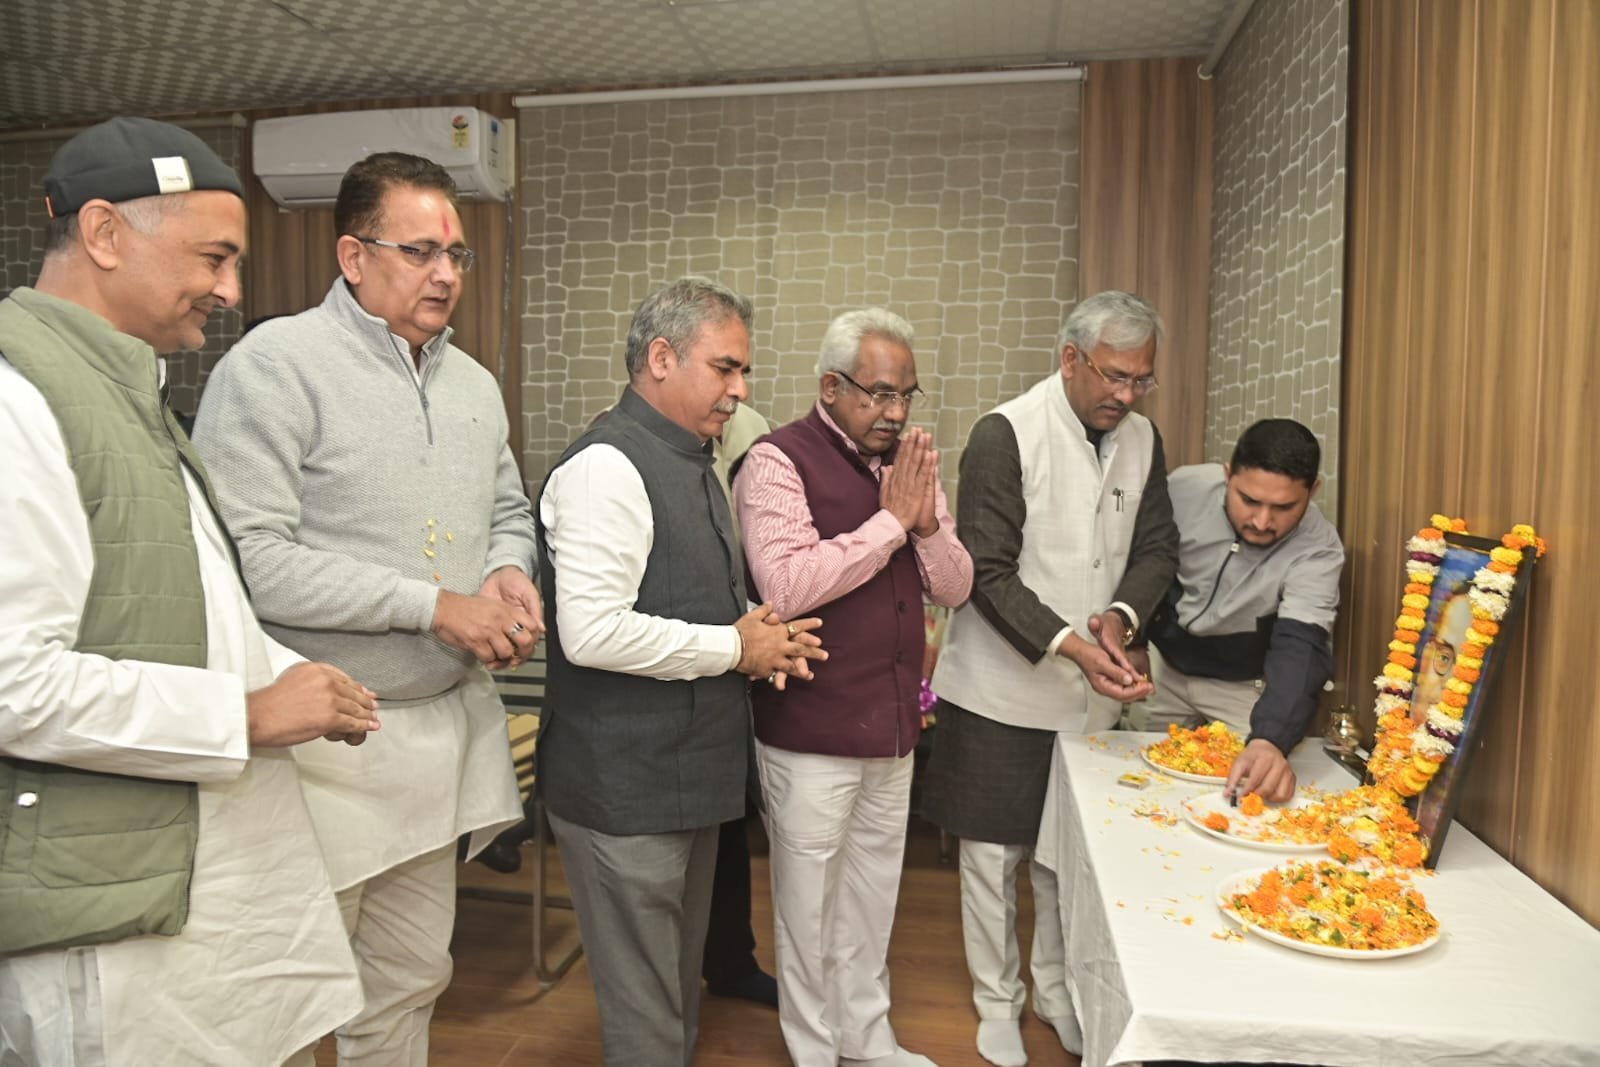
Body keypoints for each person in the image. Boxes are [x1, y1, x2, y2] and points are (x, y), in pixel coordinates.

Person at [0, 116, 376, 1065]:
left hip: (195, 883)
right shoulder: (17, 398)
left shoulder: (125, 388)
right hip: (108, 911)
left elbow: (184, 604)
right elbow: (13, 683)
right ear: (103, 232)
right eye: (215, 258)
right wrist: (246, 712)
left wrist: (292, 675)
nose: (232, 290)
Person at [192, 152, 540, 1065]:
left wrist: (506, 572)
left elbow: (508, 509)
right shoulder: (275, 366)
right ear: (352, 256)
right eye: (419, 251)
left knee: (412, 975)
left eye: (456, 254)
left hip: (435, 740)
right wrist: (432, 605)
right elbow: (250, 560)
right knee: (291, 1001)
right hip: (320, 748)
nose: (445, 273)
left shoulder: (472, 383)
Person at [535, 276, 827, 1066]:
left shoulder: (692, 455)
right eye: (725, 368)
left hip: (687, 773)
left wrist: (761, 632)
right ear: (661, 358)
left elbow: (691, 594)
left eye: (744, 372)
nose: (741, 390)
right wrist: (738, 647)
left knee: (675, 989)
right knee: (646, 1012)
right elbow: (592, 632)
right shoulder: (606, 466)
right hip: (624, 784)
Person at [924, 290, 1179, 1067]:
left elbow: (1157, 547)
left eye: (1141, 379)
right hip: (999, 689)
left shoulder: (1142, 438)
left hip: (1089, 695)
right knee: (993, 857)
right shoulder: (1005, 433)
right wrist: (1072, 643)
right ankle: (996, 999)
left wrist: (1122, 619)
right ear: (1070, 358)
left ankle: (1056, 989)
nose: (1127, 395)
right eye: (1114, 376)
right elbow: (987, 571)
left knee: (1066, 857)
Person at [733, 308, 974, 1067]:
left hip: (893, 728)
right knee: (808, 906)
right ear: (831, 387)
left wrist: (925, 526)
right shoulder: (775, 460)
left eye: (906, 394)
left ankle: (868, 1040)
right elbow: (787, 583)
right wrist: (891, 525)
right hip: (809, 729)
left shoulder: (910, 464)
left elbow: (956, 587)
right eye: (878, 394)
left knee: (872, 899)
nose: (895, 412)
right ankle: (813, 1050)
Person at [1132, 418, 1345, 803]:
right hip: (1163, 667)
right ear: (1228, 475)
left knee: (1246, 790)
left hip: (1242, 685)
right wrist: (1135, 639)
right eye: (1249, 500)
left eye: (1284, 507)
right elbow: (1142, 560)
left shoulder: (1320, 549)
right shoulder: (1182, 488)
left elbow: (1301, 646)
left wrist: (1270, 738)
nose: (1262, 521)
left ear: (1313, 490)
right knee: (1136, 779)